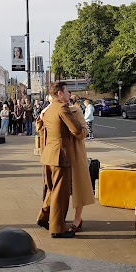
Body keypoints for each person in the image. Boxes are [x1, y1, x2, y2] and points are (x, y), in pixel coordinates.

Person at [36, 82, 84, 238]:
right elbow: (76, 130)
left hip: (49, 155)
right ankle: (58, 229)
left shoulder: (48, 109)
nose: (69, 95)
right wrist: (83, 130)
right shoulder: (62, 108)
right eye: (67, 91)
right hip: (61, 156)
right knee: (60, 194)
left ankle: (43, 218)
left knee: (51, 190)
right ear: (59, 94)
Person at [68, 100, 95, 232]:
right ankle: (58, 217)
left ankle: (77, 219)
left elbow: (84, 132)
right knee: (59, 190)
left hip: (74, 154)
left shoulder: (75, 111)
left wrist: (71, 127)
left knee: (77, 188)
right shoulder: (50, 111)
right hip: (57, 156)